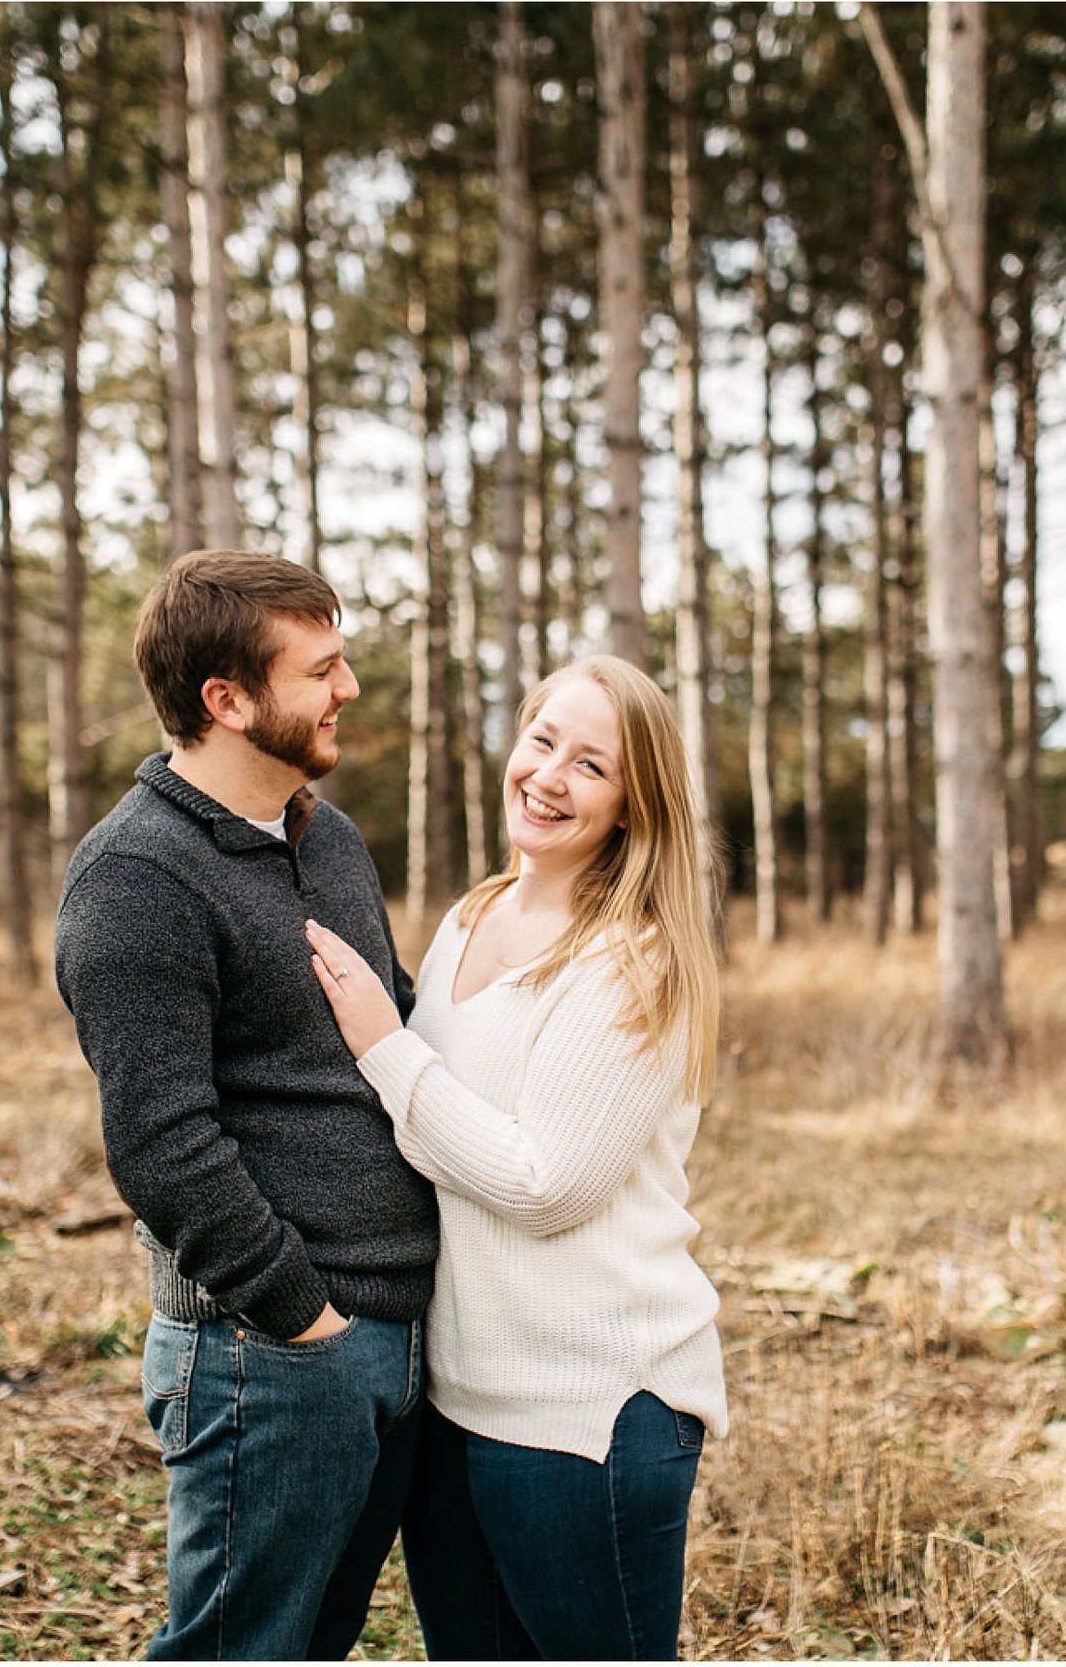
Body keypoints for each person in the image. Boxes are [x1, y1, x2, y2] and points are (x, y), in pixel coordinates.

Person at [304, 654, 728, 1662]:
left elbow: (548, 1185)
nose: (548, 777)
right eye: (541, 740)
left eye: (590, 766)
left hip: (588, 1411)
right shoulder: (471, 916)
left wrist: (384, 1045)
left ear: (633, 805)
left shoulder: (633, 957)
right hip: (456, 1398)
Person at [52, 550, 435, 1661]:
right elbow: (162, 1145)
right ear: (227, 701)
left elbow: (393, 1036)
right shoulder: (136, 878)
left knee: (314, 1643)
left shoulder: (330, 836)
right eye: (321, 669)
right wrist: (302, 1319)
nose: (348, 687)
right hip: (267, 1352)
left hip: (394, 1334)